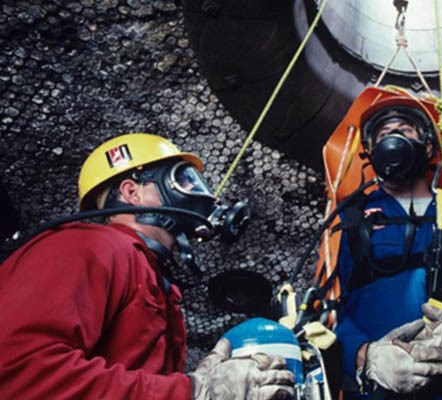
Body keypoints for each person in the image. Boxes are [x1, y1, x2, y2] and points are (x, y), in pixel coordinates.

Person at [0, 133, 294, 399]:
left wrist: (199, 383)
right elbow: (17, 372)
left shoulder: (149, 278)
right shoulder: (84, 246)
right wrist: (192, 391)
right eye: (185, 179)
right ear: (132, 192)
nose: (202, 194)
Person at [333, 97, 442, 399]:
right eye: (383, 135)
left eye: (403, 130)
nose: (393, 139)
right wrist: (365, 356)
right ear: (373, 154)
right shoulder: (351, 222)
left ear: (427, 147)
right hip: (380, 390)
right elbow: (336, 312)